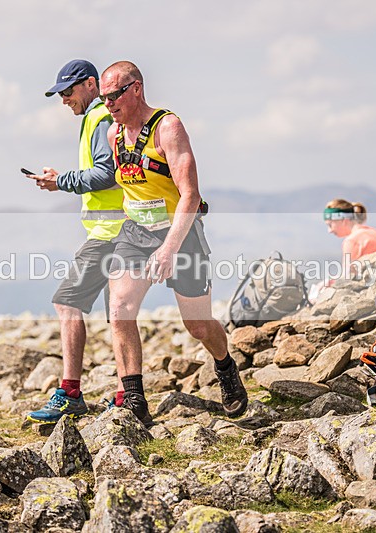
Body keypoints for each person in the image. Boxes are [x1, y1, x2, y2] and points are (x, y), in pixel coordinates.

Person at [100, 61, 247, 427]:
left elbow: (191, 195)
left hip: (181, 233)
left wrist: (168, 247)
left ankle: (226, 369)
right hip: (136, 232)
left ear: (136, 89)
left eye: (114, 95)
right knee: (119, 307)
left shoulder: (168, 127)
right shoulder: (112, 135)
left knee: (197, 325)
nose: (109, 105)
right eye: (103, 98)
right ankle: (134, 399)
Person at [25, 59, 125, 424]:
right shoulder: (99, 118)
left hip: (111, 231)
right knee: (120, 315)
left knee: (67, 304)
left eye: (67, 92)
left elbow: (108, 175)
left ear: (90, 84)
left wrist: (61, 181)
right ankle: (125, 394)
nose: (64, 100)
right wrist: (63, 176)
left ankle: (70, 393)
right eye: (59, 94)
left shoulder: (99, 119)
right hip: (119, 229)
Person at [322, 198, 376, 285]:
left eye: (330, 225)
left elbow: (347, 277)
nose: (329, 230)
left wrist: (328, 283)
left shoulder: (351, 241)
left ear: (343, 220)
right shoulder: (375, 233)